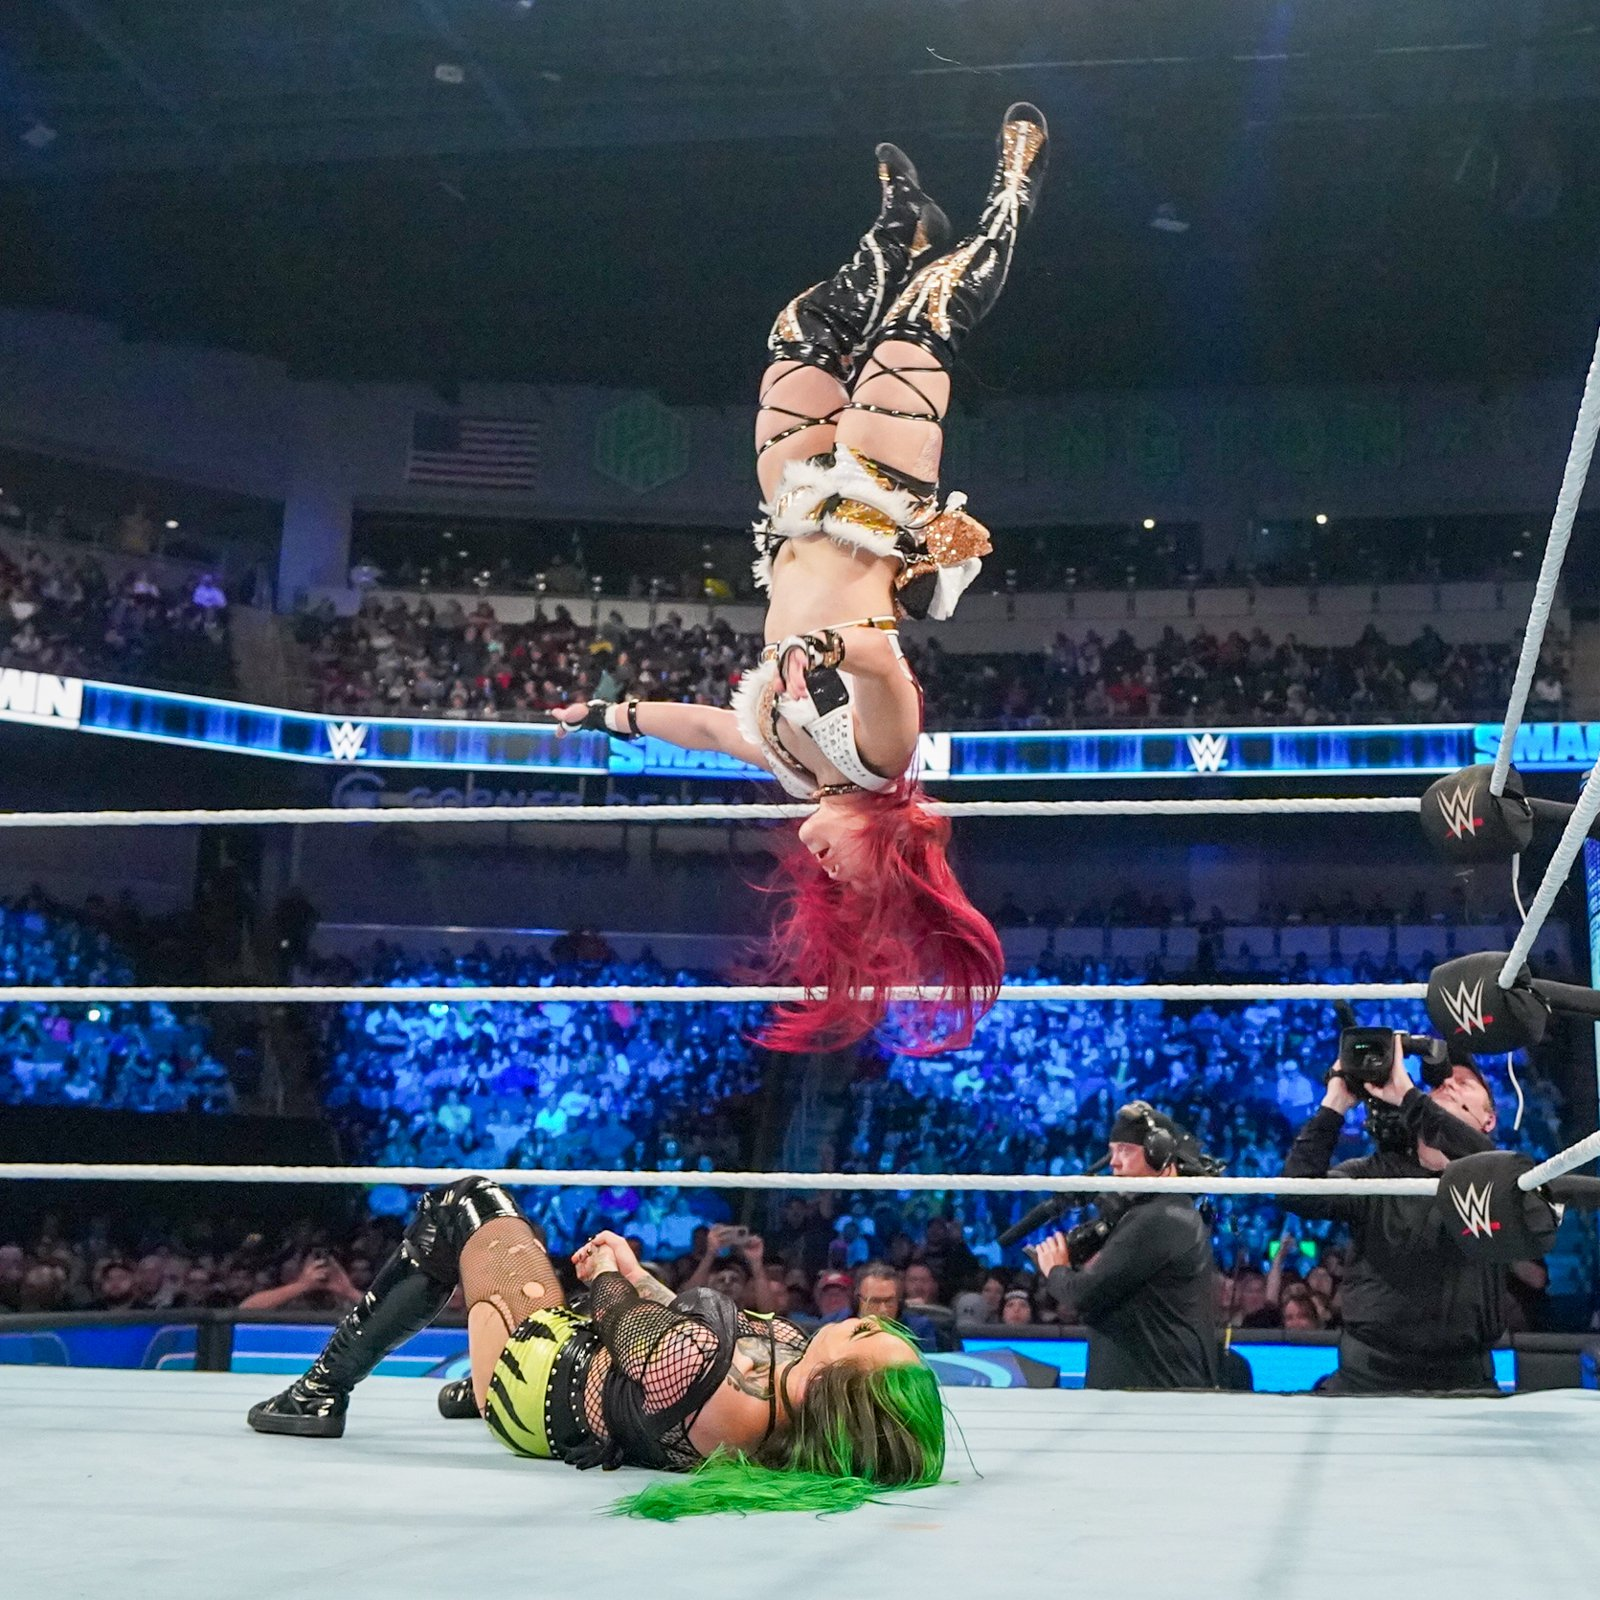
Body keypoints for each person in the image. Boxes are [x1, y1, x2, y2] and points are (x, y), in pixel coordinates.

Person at [555, 106, 1049, 1055]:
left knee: (800, 336)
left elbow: (709, 729)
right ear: (891, 850)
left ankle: (901, 221)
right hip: (873, 501)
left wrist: (609, 716)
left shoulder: (794, 766)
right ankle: (1013, 185)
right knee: (925, 317)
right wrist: (824, 648)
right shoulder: (881, 760)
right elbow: (881, 663)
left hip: (792, 509)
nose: (819, 862)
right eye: (846, 874)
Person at [247, 1178, 944, 1517]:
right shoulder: (788, 1379)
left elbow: (622, 1318)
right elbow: (683, 1328)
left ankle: (320, 1392)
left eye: (868, 1337)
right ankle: (469, 1389)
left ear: (832, 1387)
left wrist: (613, 1274)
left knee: (467, 1206)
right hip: (591, 1360)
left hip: (539, 1376)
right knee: (520, 1255)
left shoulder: (728, 1399)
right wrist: (638, 1273)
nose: (868, 1323)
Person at [1281, 1036, 1507, 1394]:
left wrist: (1410, 1097)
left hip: (1464, 1379)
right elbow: (1296, 1194)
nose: (1448, 1084)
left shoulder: (1499, 1177)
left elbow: (1479, 1157)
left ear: (1489, 1119)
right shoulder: (1375, 1173)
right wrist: (1335, 1102)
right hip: (1368, 1376)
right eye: (1440, 1084)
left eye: (1464, 1083)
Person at [1031, 1102, 1223, 1389]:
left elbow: (1083, 1294)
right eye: (1112, 1151)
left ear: (1159, 1153)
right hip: (1149, 1386)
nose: (1114, 1163)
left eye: (1125, 1150)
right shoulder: (1167, 1210)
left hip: (1151, 1391)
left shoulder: (1158, 1217)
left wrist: (1055, 1269)